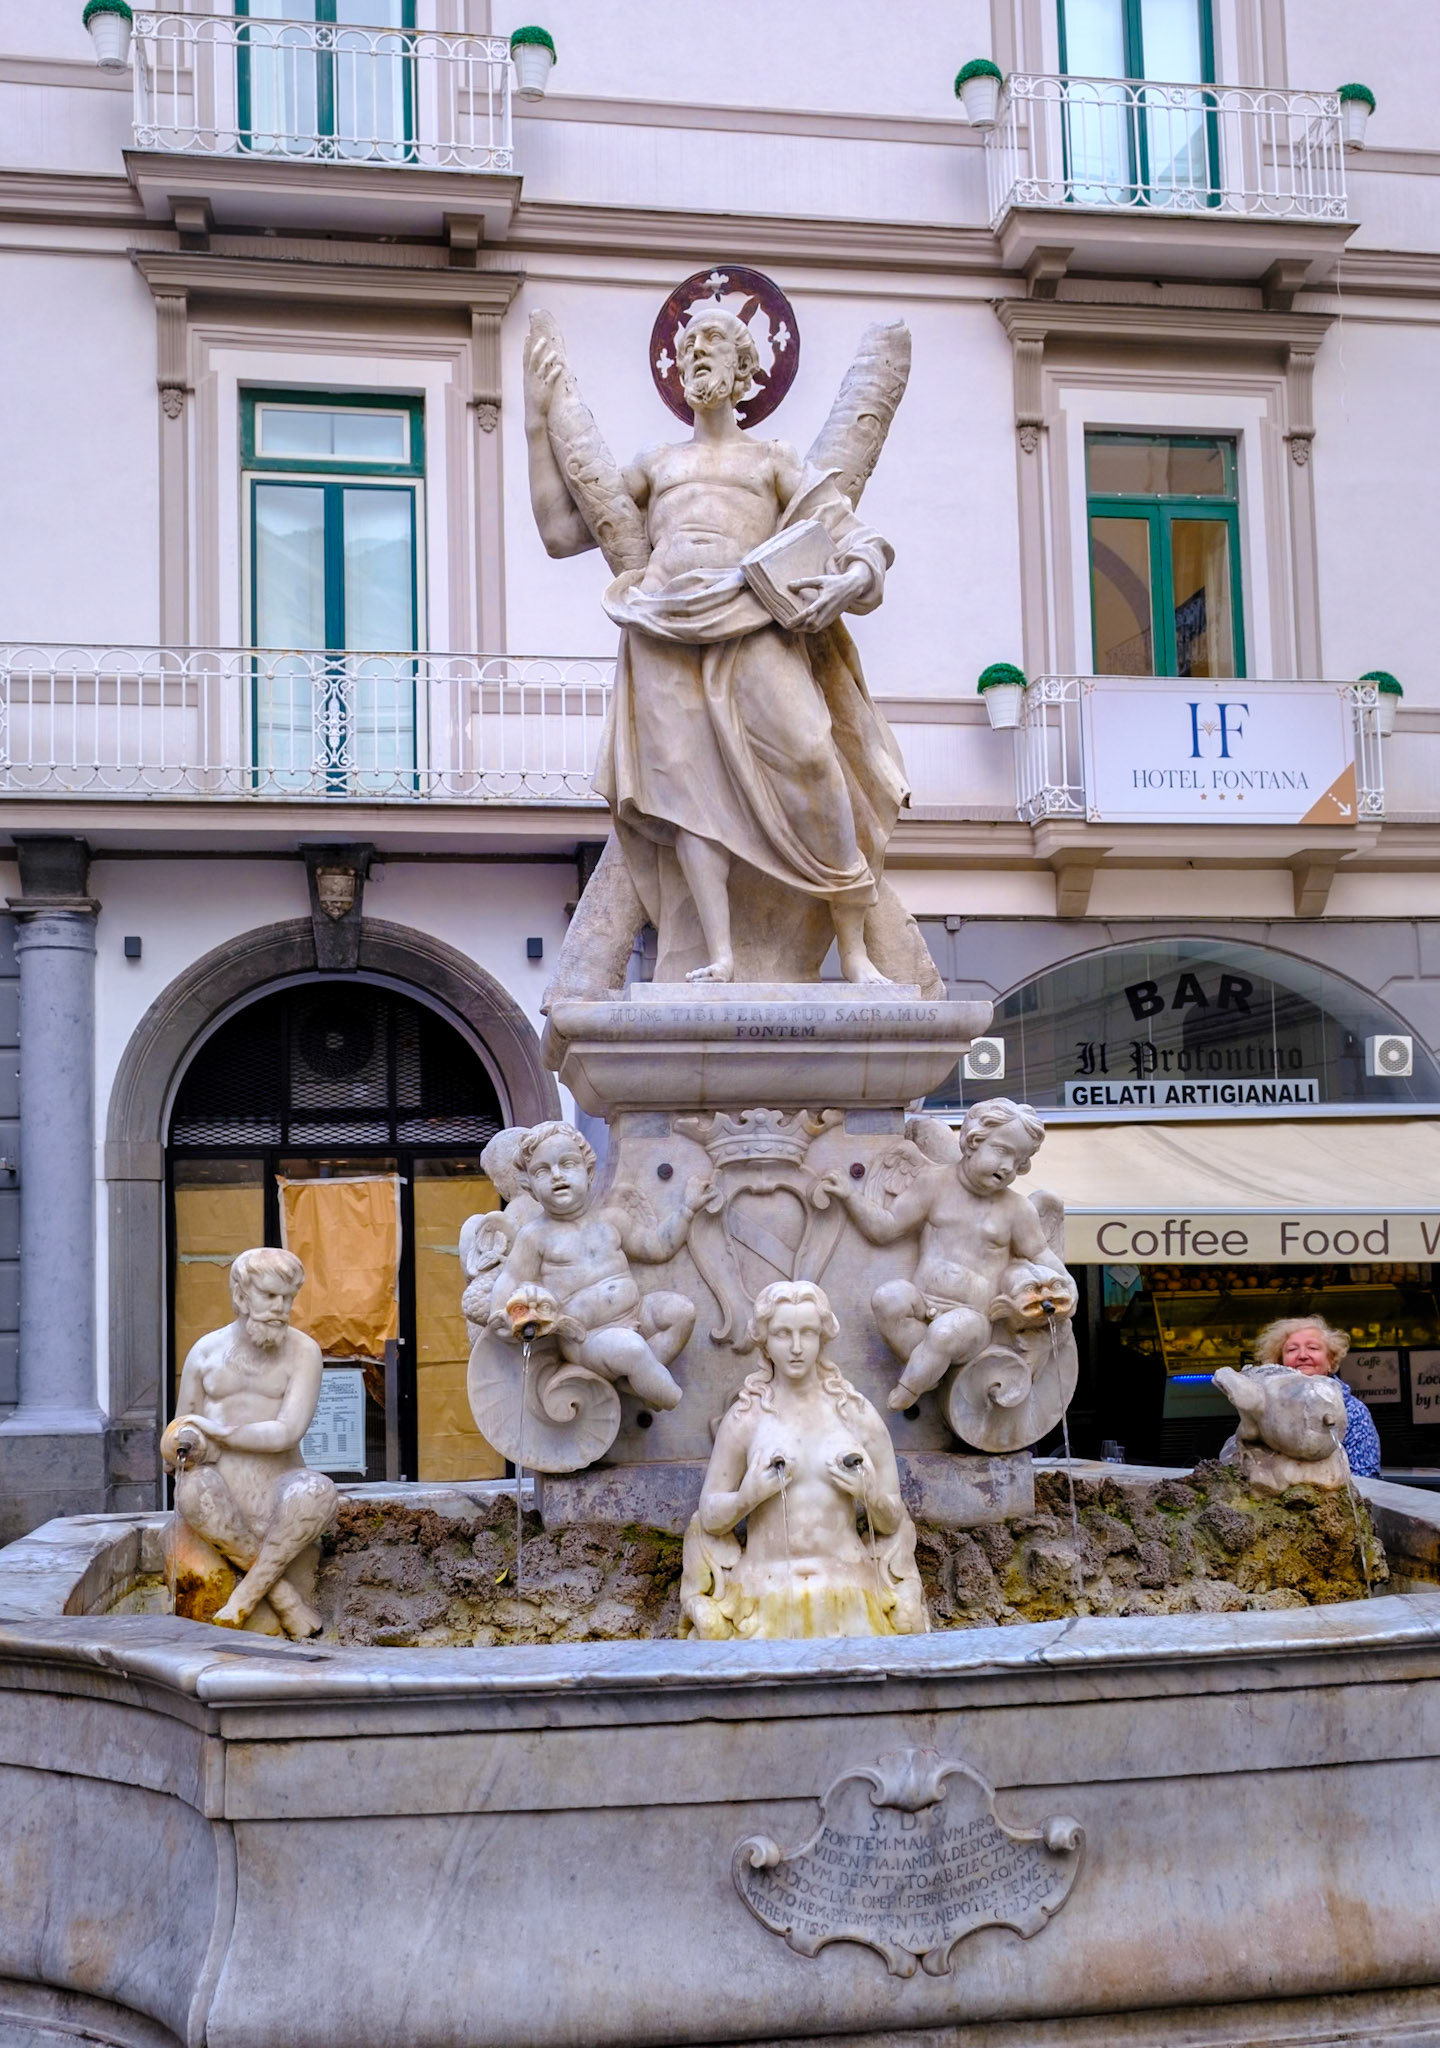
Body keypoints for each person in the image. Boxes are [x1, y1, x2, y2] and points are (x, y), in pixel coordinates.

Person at [525, 303, 906, 985]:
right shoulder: (657, 464)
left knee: (815, 761)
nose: (695, 353)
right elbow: (559, 531)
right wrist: (534, 423)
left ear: (742, 369)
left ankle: (853, 948)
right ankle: (718, 955)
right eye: (687, 344)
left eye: (711, 342)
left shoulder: (772, 462)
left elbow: (856, 539)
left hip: (752, 620)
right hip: (665, 629)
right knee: (689, 799)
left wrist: (850, 580)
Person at [681, 1279, 927, 1639]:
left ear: (822, 1337)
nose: (796, 1348)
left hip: (852, 1591)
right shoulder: (746, 1418)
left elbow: (892, 1520)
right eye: (783, 1334)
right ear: (764, 1339)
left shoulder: (855, 1414)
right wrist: (746, 1497)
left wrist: (870, 1496)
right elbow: (711, 1517)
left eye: (808, 1333)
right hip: (763, 1594)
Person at [820, 1099, 1077, 1411]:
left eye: (1019, 1159)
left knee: (946, 1332)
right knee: (888, 1298)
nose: (1009, 1166)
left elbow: (1040, 1253)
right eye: (1002, 1151)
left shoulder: (1016, 1209)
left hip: (974, 1320)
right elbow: (886, 1228)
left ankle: (911, 1386)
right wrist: (850, 1196)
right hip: (923, 1302)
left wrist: (1066, 1283)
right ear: (973, 1141)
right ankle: (932, 1371)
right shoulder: (933, 1183)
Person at [163, 1247, 338, 1636]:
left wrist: (223, 1432)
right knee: (193, 1490)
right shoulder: (206, 1352)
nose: (280, 1307)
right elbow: (178, 1429)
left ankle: (245, 1597)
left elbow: (288, 1431)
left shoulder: (304, 1352)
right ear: (241, 1296)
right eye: (269, 1296)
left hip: (279, 1487)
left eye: (288, 1298)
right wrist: (188, 1439)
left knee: (318, 1491)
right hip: (217, 1492)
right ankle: (284, 1600)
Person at [1252, 1315, 1381, 1478]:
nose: (1303, 1355)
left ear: (1330, 1361)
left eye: (1312, 1348)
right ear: (1279, 1363)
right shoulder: (1263, 1408)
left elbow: (1365, 1475)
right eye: (1292, 1350)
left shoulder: (1353, 1411)